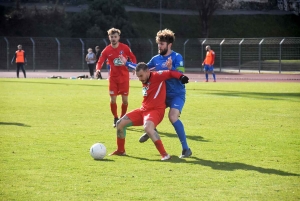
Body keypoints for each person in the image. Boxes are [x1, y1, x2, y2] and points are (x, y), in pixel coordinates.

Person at [121, 29, 192, 158]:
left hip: (177, 94)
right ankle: (151, 129)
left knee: (173, 117)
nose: (159, 46)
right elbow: (142, 68)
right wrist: (127, 63)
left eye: (162, 44)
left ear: (169, 44)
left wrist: (172, 69)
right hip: (163, 96)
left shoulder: (177, 57)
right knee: (151, 110)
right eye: (158, 43)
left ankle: (186, 149)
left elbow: (181, 73)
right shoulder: (156, 59)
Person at [109, 62, 189, 160]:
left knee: (147, 128)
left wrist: (181, 77)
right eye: (138, 77)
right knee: (119, 123)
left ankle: (165, 155)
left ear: (147, 72)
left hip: (156, 111)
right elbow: (135, 66)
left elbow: (170, 73)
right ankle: (121, 151)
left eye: (141, 76)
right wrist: (126, 62)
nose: (140, 79)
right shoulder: (144, 77)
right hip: (143, 110)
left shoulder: (157, 76)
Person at [95, 28, 137, 128]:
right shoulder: (107, 50)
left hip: (124, 79)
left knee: (125, 101)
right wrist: (98, 69)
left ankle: (122, 118)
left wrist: (133, 67)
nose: (113, 38)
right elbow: (100, 61)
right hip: (113, 79)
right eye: (111, 37)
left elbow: (133, 57)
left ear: (119, 37)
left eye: (115, 36)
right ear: (109, 38)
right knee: (113, 100)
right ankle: (115, 118)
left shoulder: (125, 48)